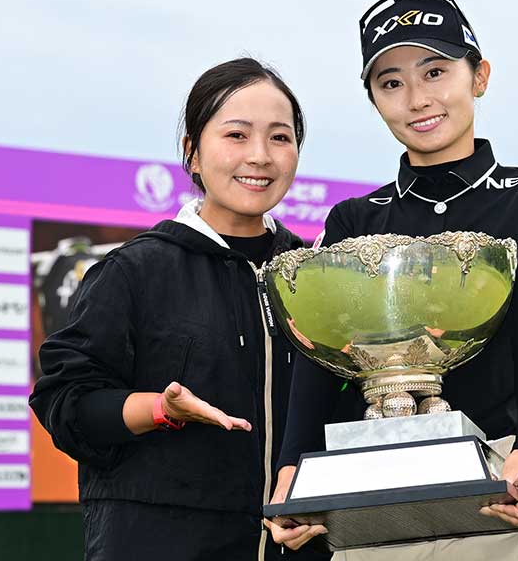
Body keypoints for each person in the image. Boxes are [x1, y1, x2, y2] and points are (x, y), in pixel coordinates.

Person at [267, 0, 518, 560]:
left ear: (479, 75)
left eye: (435, 71)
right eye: (391, 82)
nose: (417, 99)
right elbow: (318, 357)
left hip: (502, 477)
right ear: (373, 99)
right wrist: (292, 467)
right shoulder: (353, 220)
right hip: (370, 485)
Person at [30, 58, 328, 561]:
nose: (260, 156)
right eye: (236, 135)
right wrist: (160, 410)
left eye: (280, 137)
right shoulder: (134, 271)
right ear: (193, 151)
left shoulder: (317, 276)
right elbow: (66, 401)